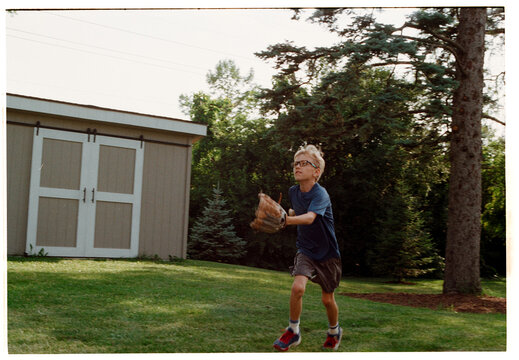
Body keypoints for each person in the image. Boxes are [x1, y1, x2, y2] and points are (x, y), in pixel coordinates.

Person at [273, 144, 342, 352]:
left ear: (316, 172)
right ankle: (293, 331)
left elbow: (311, 218)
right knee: (297, 288)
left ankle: (334, 330)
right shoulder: (293, 191)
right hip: (306, 250)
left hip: (328, 254)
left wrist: (286, 221)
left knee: (327, 299)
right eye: (296, 163)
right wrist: (284, 215)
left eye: (304, 163)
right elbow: (296, 211)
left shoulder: (321, 194)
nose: (298, 167)